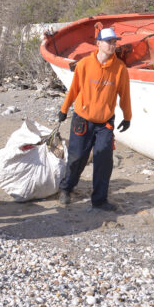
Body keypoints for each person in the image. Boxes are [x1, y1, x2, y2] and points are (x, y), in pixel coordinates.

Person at [57, 26, 132, 211]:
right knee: (77, 158)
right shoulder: (84, 64)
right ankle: (66, 188)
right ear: (98, 43)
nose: (112, 45)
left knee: (104, 160)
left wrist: (127, 117)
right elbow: (74, 89)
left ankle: (99, 200)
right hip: (82, 120)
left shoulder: (120, 69)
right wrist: (64, 109)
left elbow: (125, 95)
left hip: (105, 123)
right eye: (109, 42)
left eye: (114, 42)